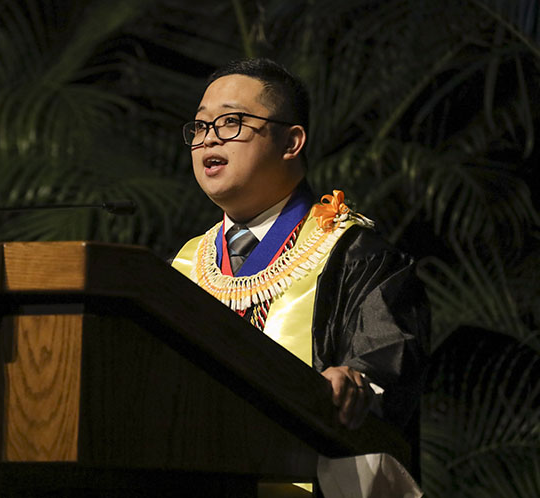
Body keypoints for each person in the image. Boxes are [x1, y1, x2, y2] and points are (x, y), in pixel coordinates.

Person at [171, 58, 429, 495]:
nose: (209, 137)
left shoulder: (354, 253)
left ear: (292, 141)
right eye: (199, 127)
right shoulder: (185, 263)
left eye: (231, 121)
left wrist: (355, 381)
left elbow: (388, 356)